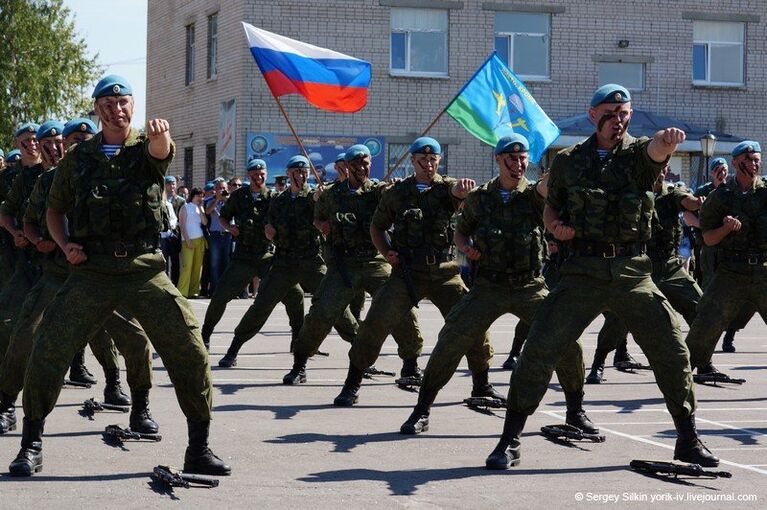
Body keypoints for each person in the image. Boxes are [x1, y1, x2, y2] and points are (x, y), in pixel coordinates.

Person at [485, 84, 717, 470]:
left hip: (631, 271)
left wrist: (666, 141)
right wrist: (554, 226)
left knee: (671, 350)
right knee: (541, 348)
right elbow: (551, 207)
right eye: (610, 113)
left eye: (624, 112)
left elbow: (655, 152)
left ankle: (688, 440)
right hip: (582, 272)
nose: (618, 119)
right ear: (594, 116)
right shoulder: (569, 161)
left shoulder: (637, 156)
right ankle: (509, 440)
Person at [7, 75, 229, 477]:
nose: (116, 109)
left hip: (143, 268)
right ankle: (31, 443)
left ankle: (199, 446)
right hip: (92, 270)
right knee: (49, 346)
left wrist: (160, 136)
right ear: (97, 109)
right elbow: (55, 210)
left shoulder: (147, 146)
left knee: (189, 345)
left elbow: (163, 152)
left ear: (132, 106)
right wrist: (64, 243)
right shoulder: (78, 158)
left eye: (123, 102)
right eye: (107, 104)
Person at [398, 135, 591, 434]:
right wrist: (468, 248)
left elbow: (546, 189)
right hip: (488, 287)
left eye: (523, 158)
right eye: (511, 159)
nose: (518, 164)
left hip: (529, 286)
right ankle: (421, 410)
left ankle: (575, 412)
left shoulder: (535, 196)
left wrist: (558, 171)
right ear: (498, 160)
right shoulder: (480, 198)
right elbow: (461, 233)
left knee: (568, 342)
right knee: (450, 340)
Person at [0, 119, 155, 435]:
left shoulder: (104, 176)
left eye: (72, 141)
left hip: (98, 275)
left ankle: (138, 407)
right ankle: (6, 405)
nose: (62, 147)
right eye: (60, 142)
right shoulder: (45, 181)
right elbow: (30, 220)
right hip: (56, 273)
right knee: (25, 336)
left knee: (135, 339)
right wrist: (35, 238)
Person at [333, 137, 504, 407]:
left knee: (472, 323)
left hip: (444, 273)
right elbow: (377, 227)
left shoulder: (446, 188)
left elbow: (458, 193)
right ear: (412, 161)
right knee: (376, 322)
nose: (428, 164)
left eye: (433, 159)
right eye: (422, 159)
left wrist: (462, 190)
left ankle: (481, 385)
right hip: (406, 273)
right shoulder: (397, 193)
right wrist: (387, 252)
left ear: (439, 161)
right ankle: (351, 384)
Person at [284, 144, 424, 385]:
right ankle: (300, 364)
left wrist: (394, 190)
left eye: (366, 163)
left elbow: (401, 201)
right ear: (346, 167)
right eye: (356, 164)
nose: (362, 168)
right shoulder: (332, 194)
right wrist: (322, 226)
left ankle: (410, 364)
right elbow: (318, 217)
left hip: (374, 261)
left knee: (400, 307)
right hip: (343, 265)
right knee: (321, 312)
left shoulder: (380, 191)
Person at [218, 156, 358, 367]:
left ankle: (361, 346)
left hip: (311, 261)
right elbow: (269, 223)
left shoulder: (317, 196)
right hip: (284, 263)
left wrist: (326, 199)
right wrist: (269, 230)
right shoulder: (279, 200)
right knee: (261, 306)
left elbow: (338, 202)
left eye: (304, 172)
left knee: (333, 303)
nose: (300, 176)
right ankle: (233, 350)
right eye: (296, 172)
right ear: (288, 173)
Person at [585, 164, 705, 384]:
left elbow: (685, 200)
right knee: (618, 317)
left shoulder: (671, 194)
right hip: (640, 266)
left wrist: (696, 203)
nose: (658, 174)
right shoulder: (633, 193)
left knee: (701, 308)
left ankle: (701, 362)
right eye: (654, 169)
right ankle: (598, 363)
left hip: (669, 267)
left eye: (661, 169)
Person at [686, 141, 766, 381]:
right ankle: (679, 377)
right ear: (735, 162)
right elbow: (708, 239)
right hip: (732, 272)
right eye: (749, 159)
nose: (754, 163)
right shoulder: (720, 197)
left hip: (763, 270)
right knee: (706, 321)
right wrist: (725, 228)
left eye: (757, 159)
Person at [691, 158, 755, 353]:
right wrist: (711, 229)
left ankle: (729, 335)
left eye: (724, 169)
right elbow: (687, 214)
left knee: (742, 299)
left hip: (732, 252)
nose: (722, 173)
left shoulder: (735, 190)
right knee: (710, 293)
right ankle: (705, 337)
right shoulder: (705, 191)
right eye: (718, 170)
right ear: (712, 172)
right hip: (710, 250)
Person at [177, 187, 207, 298]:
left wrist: (200, 209)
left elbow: (204, 222)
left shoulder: (200, 208)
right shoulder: (185, 207)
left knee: (197, 267)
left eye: (202, 196)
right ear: (192, 196)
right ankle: (182, 291)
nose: (200, 198)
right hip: (188, 240)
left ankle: (194, 291)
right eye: (198, 196)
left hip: (200, 239)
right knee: (187, 266)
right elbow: (182, 225)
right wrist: (188, 240)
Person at [204, 178, 232, 293]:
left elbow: (233, 212)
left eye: (224, 188)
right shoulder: (211, 200)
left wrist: (225, 200)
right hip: (215, 235)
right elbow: (207, 211)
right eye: (219, 188)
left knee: (227, 263)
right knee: (214, 263)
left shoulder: (231, 201)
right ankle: (214, 289)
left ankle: (225, 290)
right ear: (215, 190)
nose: (222, 190)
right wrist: (217, 200)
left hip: (227, 234)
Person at [161, 175, 185, 284]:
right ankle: (165, 283)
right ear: (165, 185)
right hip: (163, 234)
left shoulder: (181, 200)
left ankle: (176, 284)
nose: (172, 186)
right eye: (169, 184)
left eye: (174, 184)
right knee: (164, 261)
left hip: (175, 233)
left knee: (175, 261)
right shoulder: (161, 199)